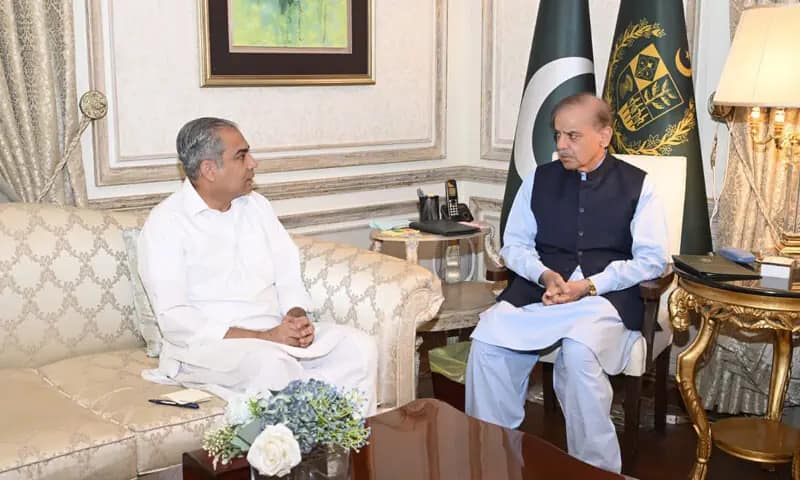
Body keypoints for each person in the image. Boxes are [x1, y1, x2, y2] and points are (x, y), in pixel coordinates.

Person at [465, 93, 668, 473]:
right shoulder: (539, 179)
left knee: (578, 352)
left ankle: (595, 470)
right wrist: (543, 274)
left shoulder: (638, 185)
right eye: (558, 134)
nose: (561, 144)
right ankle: (493, 458)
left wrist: (589, 285)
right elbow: (514, 245)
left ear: (604, 135)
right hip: (543, 292)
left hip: (603, 299)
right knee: (488, 342)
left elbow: (652, 259)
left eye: (572, 136)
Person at [138, 117, 378, 415]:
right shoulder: (166, 223)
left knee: (359, 348)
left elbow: (287, 270)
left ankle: (353, 443)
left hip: (273, 334)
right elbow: (176, 320)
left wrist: (296, 317)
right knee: (272, 365)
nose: (253, 163)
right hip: (207, 349)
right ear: (209, 169)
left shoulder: (256, 206)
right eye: (241, 156)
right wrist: (265, 338)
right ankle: (301, 444)